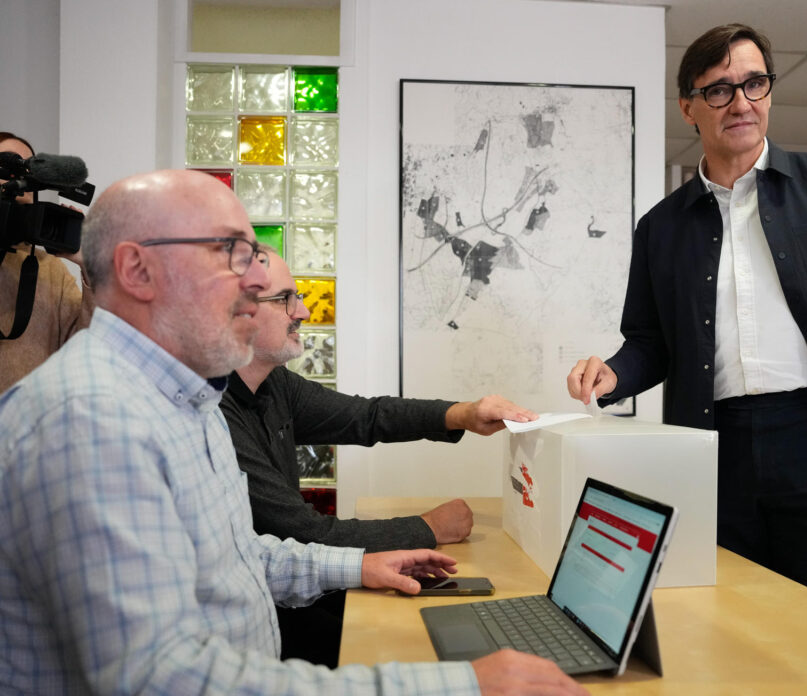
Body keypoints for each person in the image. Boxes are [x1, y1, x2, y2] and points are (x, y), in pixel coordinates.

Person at [0, 169, 585, 696]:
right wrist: (458, 686)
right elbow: (163, 678)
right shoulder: (92, 422)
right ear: (137, 269)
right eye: (232, 253)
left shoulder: (182, 401)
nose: (252, 283)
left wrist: (357, 566)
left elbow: (233, 554)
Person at [566, 23, 807, 610]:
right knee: (729, 621)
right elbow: (650, 341)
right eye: (719, 90)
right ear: (689, 108)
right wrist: (613, 374)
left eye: (755, 83)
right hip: (714, 445)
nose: (742, 103)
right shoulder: (661, 227)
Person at [220, 250, 538, 665]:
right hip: (262, 619)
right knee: (405, 647)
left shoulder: (275, 385)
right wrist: (426, 528)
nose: (303, 311)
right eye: (286, 299)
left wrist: (463, 413)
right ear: (238, 313)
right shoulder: (216, 413)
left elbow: (367, 416)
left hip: (292, 587)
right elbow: (305, 532)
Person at [0, 131, 93, 392]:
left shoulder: (49, 269)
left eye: (28, 175)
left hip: (30, 425)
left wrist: (89, 265)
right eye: (8, 169)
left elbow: (86, 346)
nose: (19, 184)